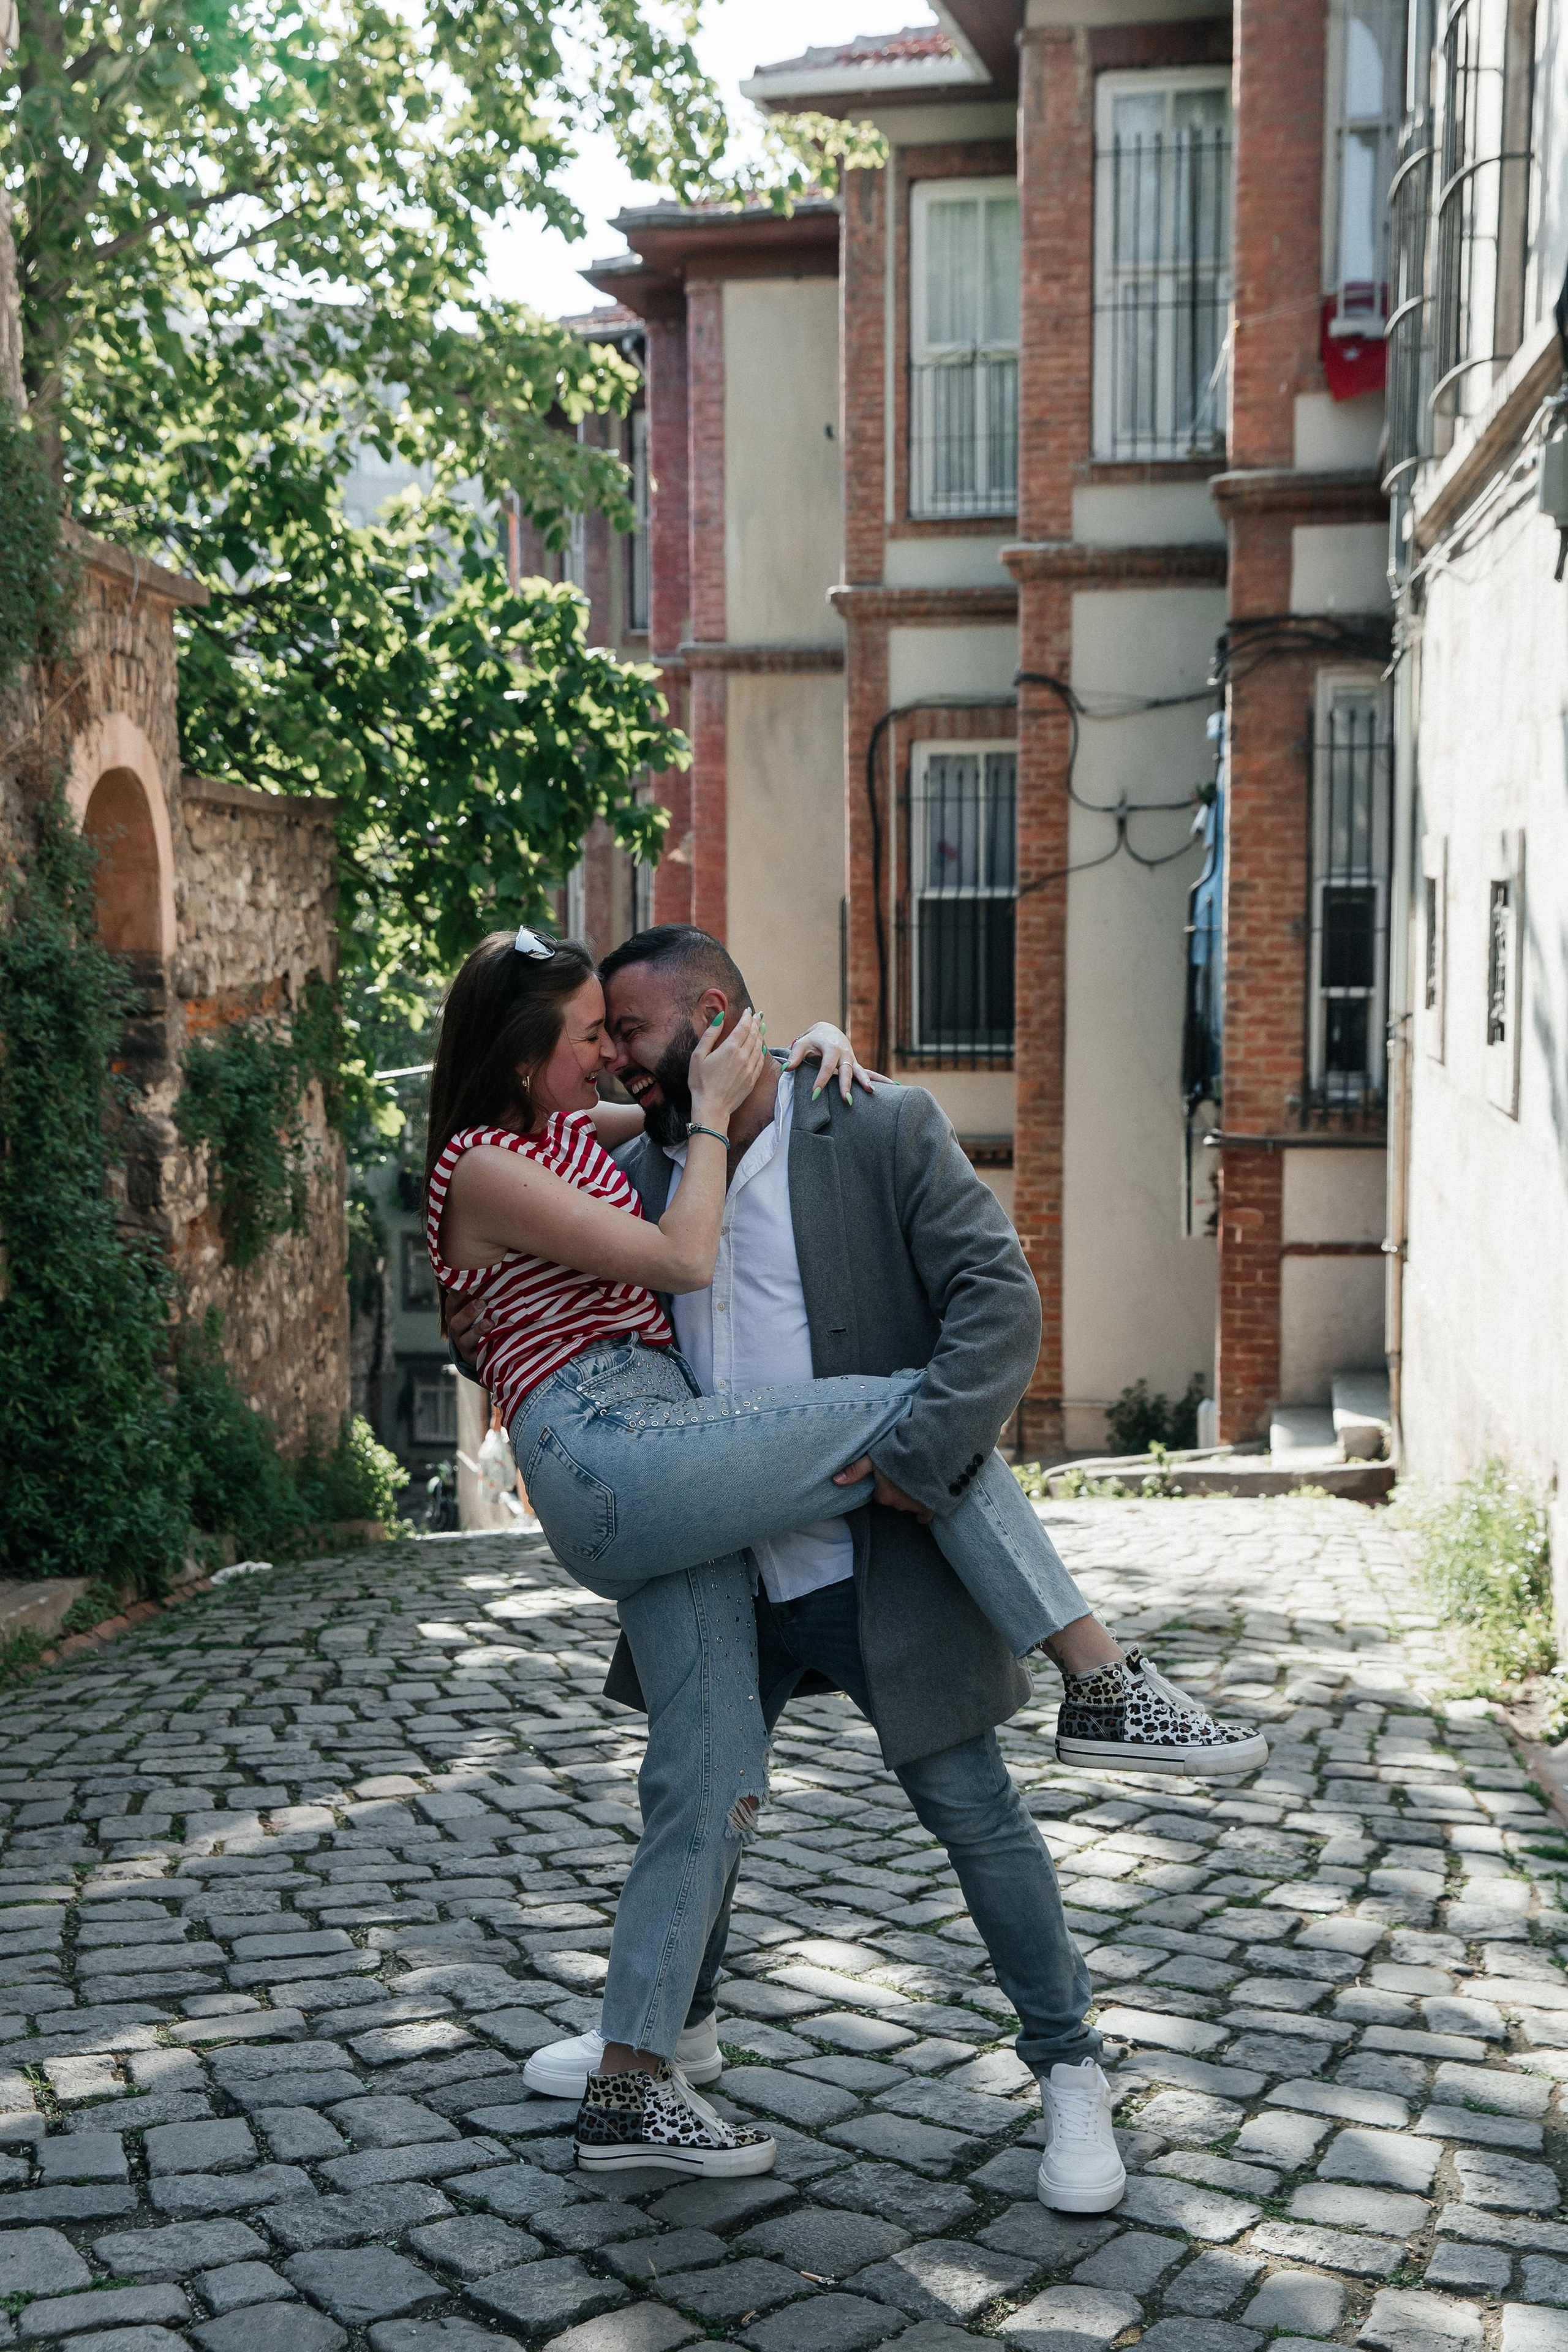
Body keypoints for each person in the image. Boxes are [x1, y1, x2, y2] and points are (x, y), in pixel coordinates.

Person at [439, 922, 1265, 2208]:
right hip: (681, 1509)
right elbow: (650, 1238)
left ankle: (1054, 2070)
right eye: (594, 1040)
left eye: (630, 1036)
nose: (615, 1065)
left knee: (947, 1811)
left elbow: (998, 1304)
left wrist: (802, 1044)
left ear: (713, 1021)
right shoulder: (639, 1149)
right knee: (703, 1781)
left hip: (864, 1546)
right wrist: (712, 1095)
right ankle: (1098, 1685)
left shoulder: (864, 1124)